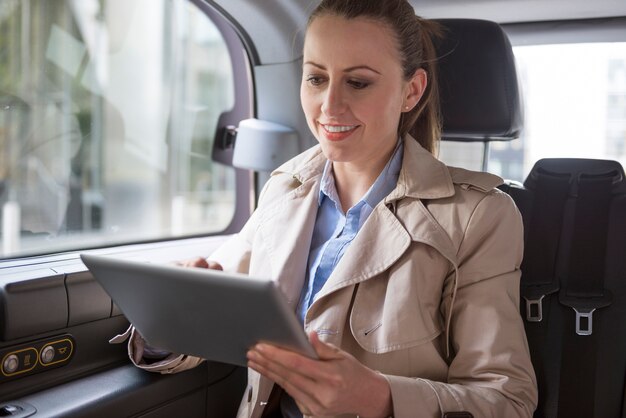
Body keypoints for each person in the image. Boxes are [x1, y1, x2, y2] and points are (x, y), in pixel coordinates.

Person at [112, 0, 538, 416]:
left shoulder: (479, 216)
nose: (329, 106)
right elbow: (209, 317)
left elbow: (507, 401)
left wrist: (383, 399)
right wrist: (168, 324)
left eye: (358, 82)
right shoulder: (284, 190)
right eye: (316, 78)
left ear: (412, 91)